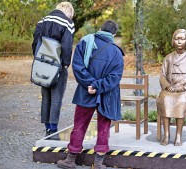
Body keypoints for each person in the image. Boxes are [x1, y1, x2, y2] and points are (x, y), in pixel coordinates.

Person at [57, 20, 124, 169]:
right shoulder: (117, 52)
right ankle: (99, 163)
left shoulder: (85, 43)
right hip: (106, 94)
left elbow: (78, 67)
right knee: (104, 127)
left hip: (85, 92)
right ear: (114, 34)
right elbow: (115, 77)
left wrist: (90, 84)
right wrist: (98, 86)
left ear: (100, 29)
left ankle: (70, 160)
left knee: (79, 125)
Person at [31, 2, 75, 138]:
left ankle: (47, 128)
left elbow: (35, 41)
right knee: (56, 97)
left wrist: (38, 59)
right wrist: (66, 63)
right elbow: (67, 45)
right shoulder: (67, 23)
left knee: (46, 96)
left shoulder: (42, 20)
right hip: (58, 65)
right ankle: (53, 129)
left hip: (42, 64)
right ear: (69, 11)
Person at [157, 29, 186, 146]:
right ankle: (166, 134)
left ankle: (178, 135)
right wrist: (167, 86)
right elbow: (162, 76)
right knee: (165, 99)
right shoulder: (168, 58)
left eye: (182, 38)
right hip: (170, 89)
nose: (179, 41)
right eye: (177, 38)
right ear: (173, 41)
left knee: (181, 101)